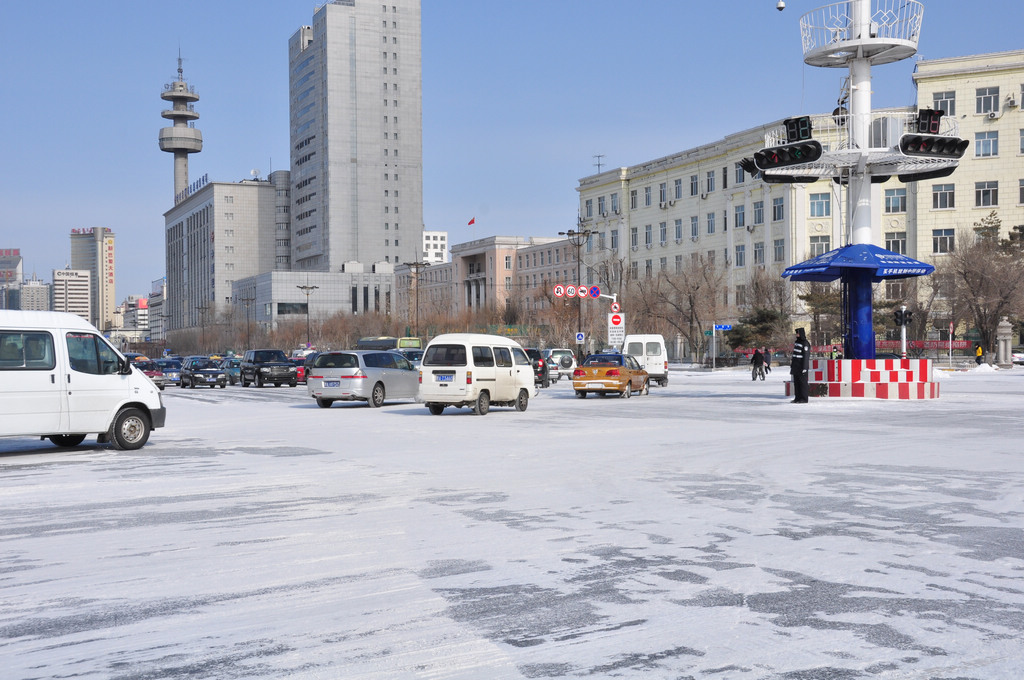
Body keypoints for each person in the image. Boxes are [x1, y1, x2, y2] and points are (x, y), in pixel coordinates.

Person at [790, 328, 810, 403]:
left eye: (797, 333)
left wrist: (804, 367)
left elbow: (806, 357)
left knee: (802, 383)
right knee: (797, 383)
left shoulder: (805, 343)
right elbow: (794, 355)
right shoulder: (797, 342)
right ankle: (797, 398)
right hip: (796, 366)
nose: (796, 335)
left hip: (801, 366)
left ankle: (804, 398)